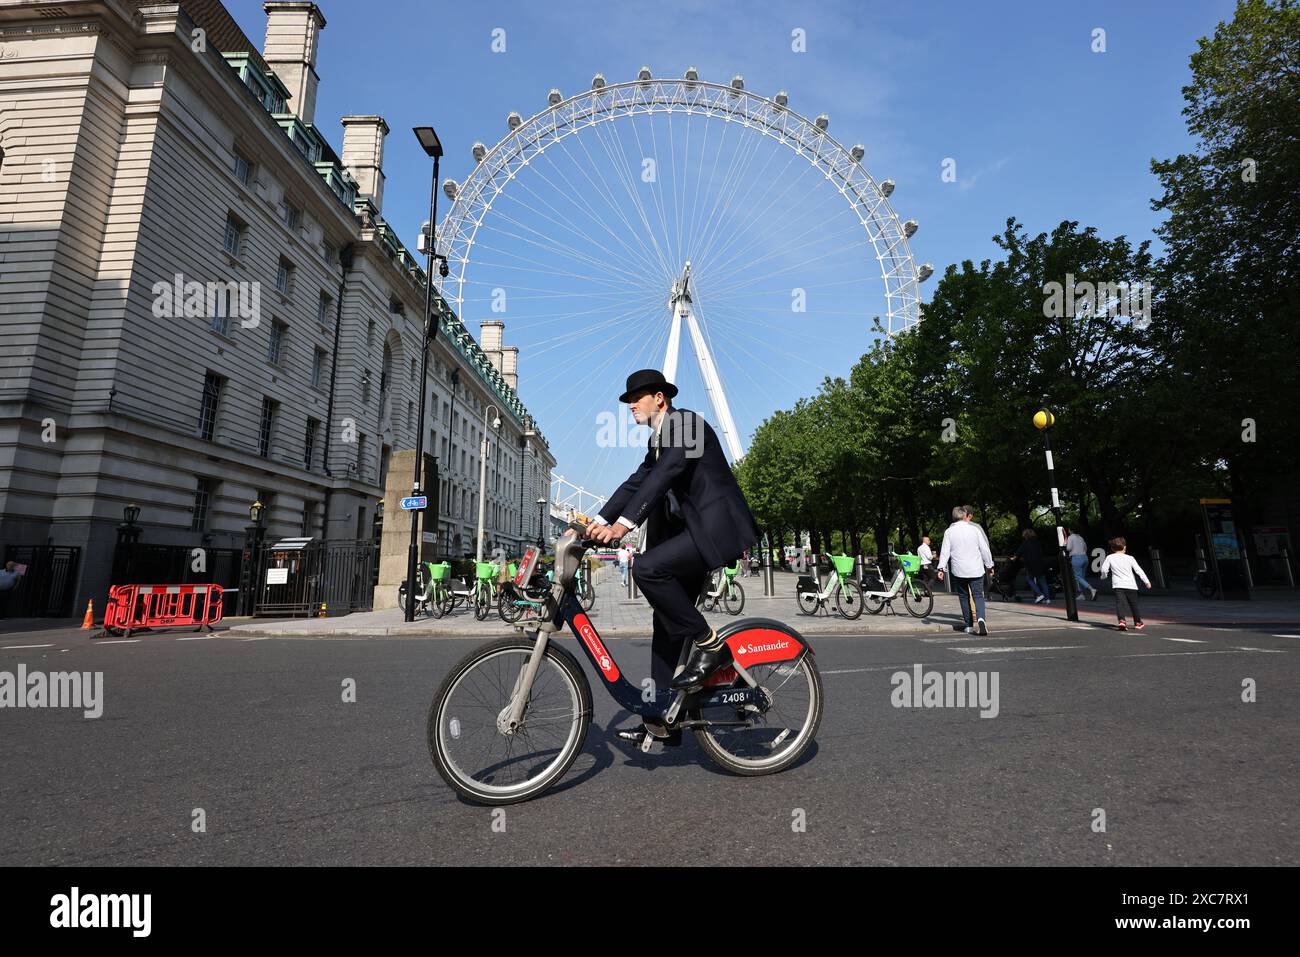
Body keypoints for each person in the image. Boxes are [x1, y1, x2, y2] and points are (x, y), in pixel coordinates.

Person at [586, 369, 761, 747]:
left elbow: (666, 474)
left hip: (714, 530)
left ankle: (712, 647)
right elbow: (637, 481)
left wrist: (623, 527)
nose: (630, 404)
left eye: (637, 397)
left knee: (646, 567)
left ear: (660, 398)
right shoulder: (659, 440)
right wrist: (596, 521)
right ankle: (659, 719)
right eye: (628, 400)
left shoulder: (687, 426)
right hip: (691, 533)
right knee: (664, 626)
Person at [936, 505, 995, 635]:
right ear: (964, 515)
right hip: (976, 569)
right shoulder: (974, 530)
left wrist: (941, 568)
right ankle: (981, 619)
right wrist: (989, 565)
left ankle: (968, 625)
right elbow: (985, 550)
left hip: (959, 570)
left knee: (964, 597)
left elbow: (945, 552)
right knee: (978, 595)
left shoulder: (949, 532)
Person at [1099, 536, 1151, 631]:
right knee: (1133, 604)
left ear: (1112, 548)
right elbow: (1139, 570)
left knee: (1120, 604)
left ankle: (1122, 621)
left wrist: (1104, 576)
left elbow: (1104, 569)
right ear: (1125, 547)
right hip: (1131, 585)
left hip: (1118, 585)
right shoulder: (1130, 558)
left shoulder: (1110, 557)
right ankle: (1138, 623)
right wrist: (1146, 581)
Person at [1015, 528, 1051, 604]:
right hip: (1040, 564)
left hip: (1030, 565)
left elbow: (1018, 553)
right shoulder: (1038, 542)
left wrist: (1014, 558)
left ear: (1025, 535)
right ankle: (1047, 599)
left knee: (1030, 579)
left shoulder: (1025, 543)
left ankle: (1039, 594)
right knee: (1043, 582)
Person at [1065, 526, 1098, 600]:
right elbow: (1085, 548)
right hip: (1085, 557)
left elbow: (1068, 548)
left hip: (1076, 558)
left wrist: (1066, 545)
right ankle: (1081, 595)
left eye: (1069, 530)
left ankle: (1092, 589)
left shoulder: (1070, 537)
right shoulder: (1080, 537)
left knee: (1077, 577)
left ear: (1070, 530)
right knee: (1081, 577)